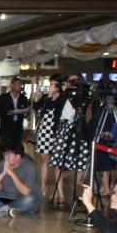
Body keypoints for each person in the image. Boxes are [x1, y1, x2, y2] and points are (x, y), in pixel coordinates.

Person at [0, 141, 42, 217]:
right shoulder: (3, 163)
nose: (6, 157)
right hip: (8, 196)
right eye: (5, 154)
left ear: (18, 156)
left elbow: (26, 192)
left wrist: (12, 174)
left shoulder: (29, 166)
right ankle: (8, 210)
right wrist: (3, 173)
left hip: (24, 196)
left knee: (29, 200)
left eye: (9, 154)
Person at [49, 73, 91, 181]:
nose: (72, 84)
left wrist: (74, 93)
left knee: (80, 163)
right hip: (62, 130)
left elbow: (81, 109)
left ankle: (79, 189)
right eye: (70, 81)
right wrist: (61, 93)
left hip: (79, 131)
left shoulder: (84, 95)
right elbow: (52, 108)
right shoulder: (63, 95)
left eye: (75, 81)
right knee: (58, 163)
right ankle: (60, 191)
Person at [32, 75, 66, 203]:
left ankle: (59, 192)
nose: (50, 86)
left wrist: (51, 96)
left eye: (53, 83)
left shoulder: (62, 98)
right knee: (43, 159)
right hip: (44, 130)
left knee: (57, 163)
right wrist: (37, 97)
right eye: (50, 83)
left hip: (57, 131)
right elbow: (36, 107)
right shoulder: (47, 97)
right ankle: (43, 187)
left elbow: (54, 106)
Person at [0, 77, 30, 145]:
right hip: (6, 128)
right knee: (6, 148)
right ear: (12, 85)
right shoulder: (3, 97)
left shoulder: (24, 98)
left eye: (21, 85)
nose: (20, 86)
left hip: (18, 128)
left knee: (17, 148)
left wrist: (26, 112)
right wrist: (8, 112)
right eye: (18, 84)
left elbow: (26, 111)